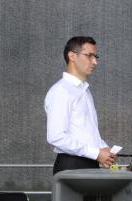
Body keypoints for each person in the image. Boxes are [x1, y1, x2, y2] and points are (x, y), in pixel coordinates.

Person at [45, 36, 116, 175]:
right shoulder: (61, 91)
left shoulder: (84, 91)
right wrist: (96, 153)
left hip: (88, 162)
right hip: (72, 165)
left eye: (96, 57)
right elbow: (56, 136)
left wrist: (103, 149)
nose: (95, 62)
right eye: (89, 56)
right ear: (72, 56)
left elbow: (87, 131)